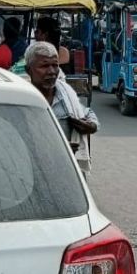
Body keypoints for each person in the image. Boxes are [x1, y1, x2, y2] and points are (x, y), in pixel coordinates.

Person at [25, 41, 99, 175]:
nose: (52, 71)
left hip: (68, 173)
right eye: (44, 66)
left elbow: (87, 112)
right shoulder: (22, 101)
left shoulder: (66, 95)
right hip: (32, 172)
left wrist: (92, 126)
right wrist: (56, 150)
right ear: (28, 70)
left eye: (55, 65)